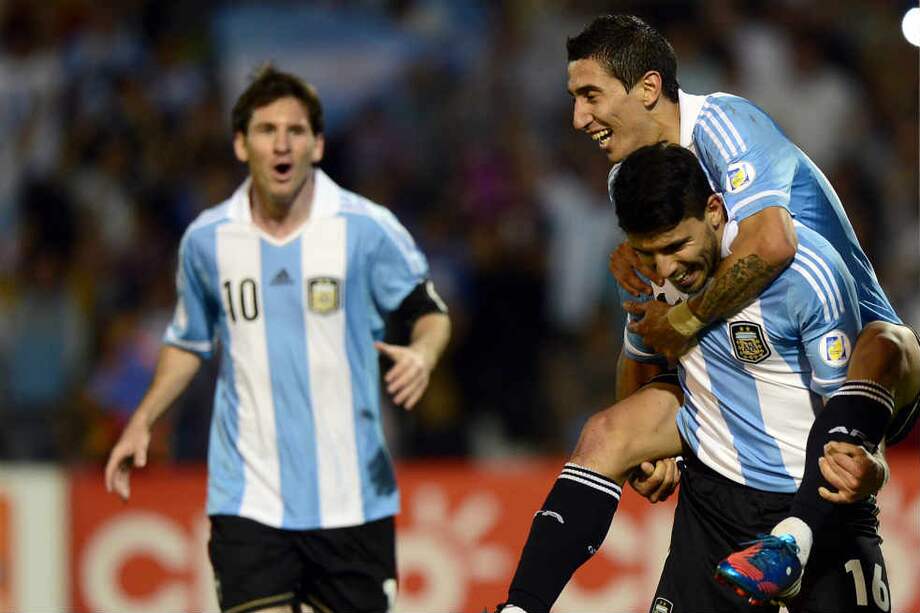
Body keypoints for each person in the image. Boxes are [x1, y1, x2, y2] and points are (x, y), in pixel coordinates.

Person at [568, 13, 920, 603]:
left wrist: (679, 325)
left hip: (857, 366)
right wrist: (655, 435)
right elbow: (650, 315)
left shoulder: (724, 125)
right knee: (607, 432)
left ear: (648, 89)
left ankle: (800, 539)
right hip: (752, 383)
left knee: (889, 343)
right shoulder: (631, 179)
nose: (579, 117)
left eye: (589, 95)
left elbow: (772, 243)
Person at [104, 66, 451, 613]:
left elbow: (429, 312)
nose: (281, 143)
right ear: (242, 145)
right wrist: (144, 418)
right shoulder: (208, 241)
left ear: (317, 144)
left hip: (352, 500)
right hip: (249, 496)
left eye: (295, 131)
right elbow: (188, 341)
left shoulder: (366, 228)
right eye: (266, 130)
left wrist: (423, 354)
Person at [501, 142, 888, 613]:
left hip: (812, 504)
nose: (666, 268)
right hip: (713, 508)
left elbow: (849, 415)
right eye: (650, 252)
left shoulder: (805, 273)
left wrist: (874, 469)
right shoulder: (655, 272)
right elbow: (641, 362)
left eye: (675, 246)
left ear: (714, 210)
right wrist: (649, 458)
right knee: (604, 432)